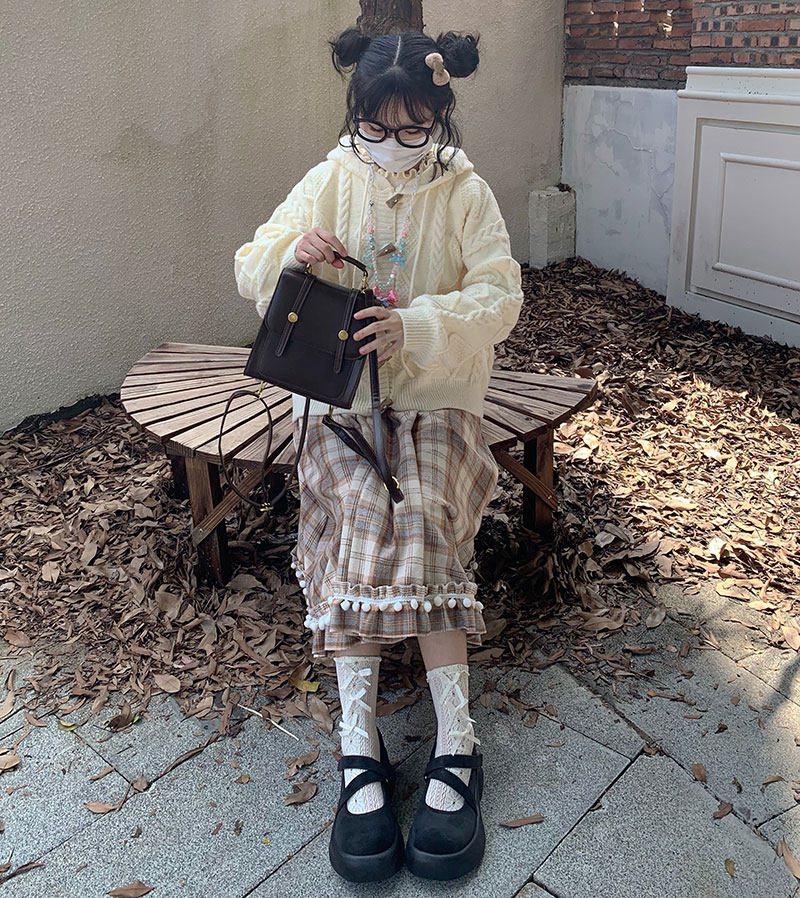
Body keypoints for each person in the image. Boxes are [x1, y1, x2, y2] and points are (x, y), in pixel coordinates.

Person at [234, 24, 523, 884]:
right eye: (375, 127)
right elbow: (251, 262)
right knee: (362, 517)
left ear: (439, 116)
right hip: (342, 404)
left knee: (427, 519)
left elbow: (501, 296)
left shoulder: (467, 193)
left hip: (437, 402)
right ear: (354, 115)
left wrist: (419, 326)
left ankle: (457, 743)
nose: (391, 147)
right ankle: (360, 747)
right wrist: (297, 250)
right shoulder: (330, 178)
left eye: (412, 129)